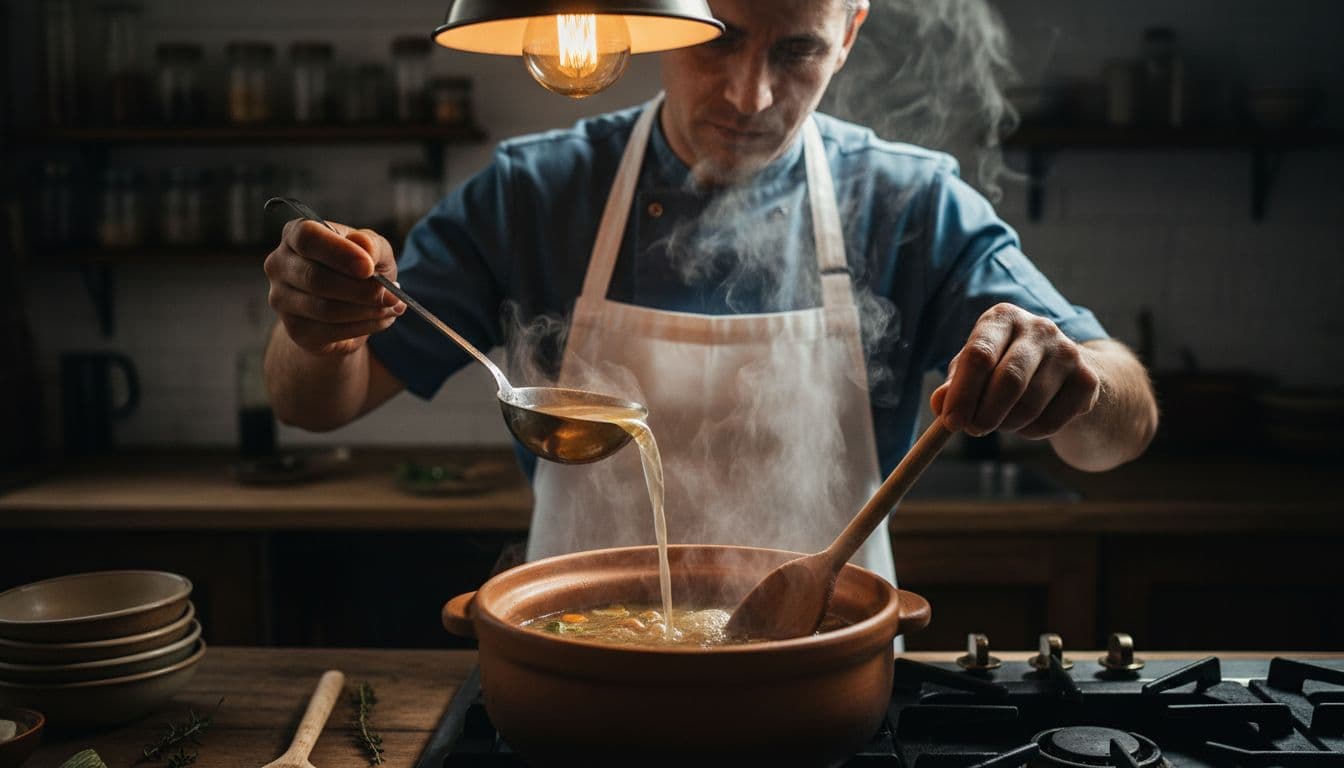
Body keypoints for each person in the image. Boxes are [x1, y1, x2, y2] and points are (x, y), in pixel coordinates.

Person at [262, 0, 1158, 589]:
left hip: (819, 676)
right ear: (657, 22)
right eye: (719, 37)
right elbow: (316, 407)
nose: (749, 93)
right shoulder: (537, 193)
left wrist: (1075, 383)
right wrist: (318, 327)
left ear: (847, 32)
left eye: (797, 49)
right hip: (582, 670)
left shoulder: (909, 203)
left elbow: (1121, 427)